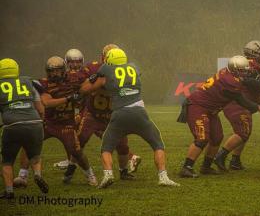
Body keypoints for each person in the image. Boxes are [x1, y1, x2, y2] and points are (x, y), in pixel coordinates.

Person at [80, 48, 179, 188]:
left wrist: (93, 78)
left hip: (119, 114)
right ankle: (163, 176)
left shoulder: (105, 70)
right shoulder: (134, 66)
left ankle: (108, 175)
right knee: (158, 144)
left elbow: (85, 89)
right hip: (139, 113)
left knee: (106, 147)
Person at [178, 55, 260, 178]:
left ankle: (206, 166)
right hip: (198, 106)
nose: (245, 73)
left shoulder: (228, 73)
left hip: (211, 109)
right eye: (242, 70)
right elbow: (240, 99)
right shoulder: (230, 82)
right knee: (202, 138)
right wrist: (257, 106)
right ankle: (186, 168)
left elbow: (247, 81)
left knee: (217, 137)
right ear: (235, 69)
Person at [14, 56, 97, 186]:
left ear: (63, 70)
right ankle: (22, 176)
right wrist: (69, 98)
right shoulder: (44, 83)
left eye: (57, 70)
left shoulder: (74, 78)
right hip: (48, 122)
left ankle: (90, 174)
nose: (54, 74)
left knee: (77, 152)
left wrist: (89, 82)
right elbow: (47, 102)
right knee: (28, 144)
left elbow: (85, 84)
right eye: (51, 71)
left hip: (66, 124)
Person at [77, 44, 141, 180]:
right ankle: (71, 168)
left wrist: (100, 88)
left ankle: (123, 172)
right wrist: (93, 83)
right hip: (94, 113)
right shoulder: (95, 68)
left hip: (114, 113)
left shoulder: (125, 70)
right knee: (80, 140)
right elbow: (82, 87)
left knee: (122, 145)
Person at [216, 40, 260, 171]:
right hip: (238, 104)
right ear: (254, 53)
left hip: (244, 104)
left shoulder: (258, 65)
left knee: (245, 132)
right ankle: (220, 156)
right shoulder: (250, 65)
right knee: (243, 132)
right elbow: (247, 81)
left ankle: (235, 160)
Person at [0, 58, 48, 199]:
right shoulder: (28, 82)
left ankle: (9, 191)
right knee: (35, 155)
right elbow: (40, 107)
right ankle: (38, 175)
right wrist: (40, 120)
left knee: (7, 161)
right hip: (34, 122)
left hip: (13, 125)